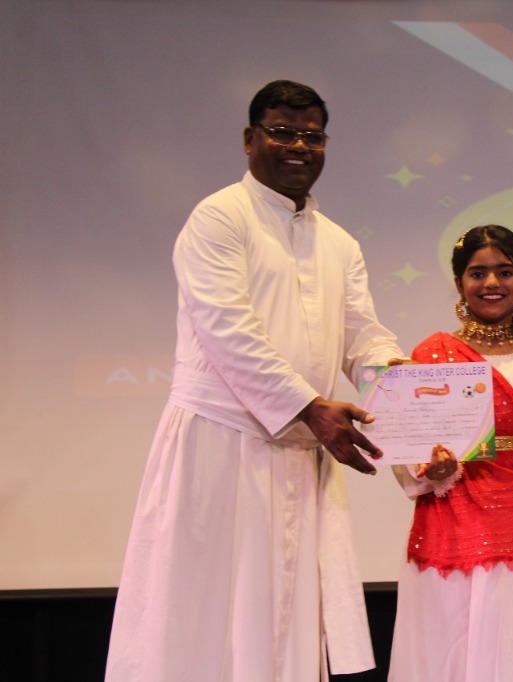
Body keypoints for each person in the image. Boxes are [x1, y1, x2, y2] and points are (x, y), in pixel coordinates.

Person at [105, 80, 405, 681]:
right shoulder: (219, 217)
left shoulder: (338, 242)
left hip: (301, 451)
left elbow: (362, 335)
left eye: (312, 136)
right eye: (282, 132)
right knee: (203, 615)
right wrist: (310, 407)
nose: (299, 146)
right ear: (250, 139)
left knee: (286, 621)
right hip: (221, 446)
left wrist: (405, 388)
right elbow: (228, 331)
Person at [387, 225, 513, 682]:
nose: (492, 283)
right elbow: (407, 450)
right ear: (459, 283)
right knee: (450, 647)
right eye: (477, 273)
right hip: (450, 527)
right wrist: (432, 469)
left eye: (505, 271)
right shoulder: (431, 355)